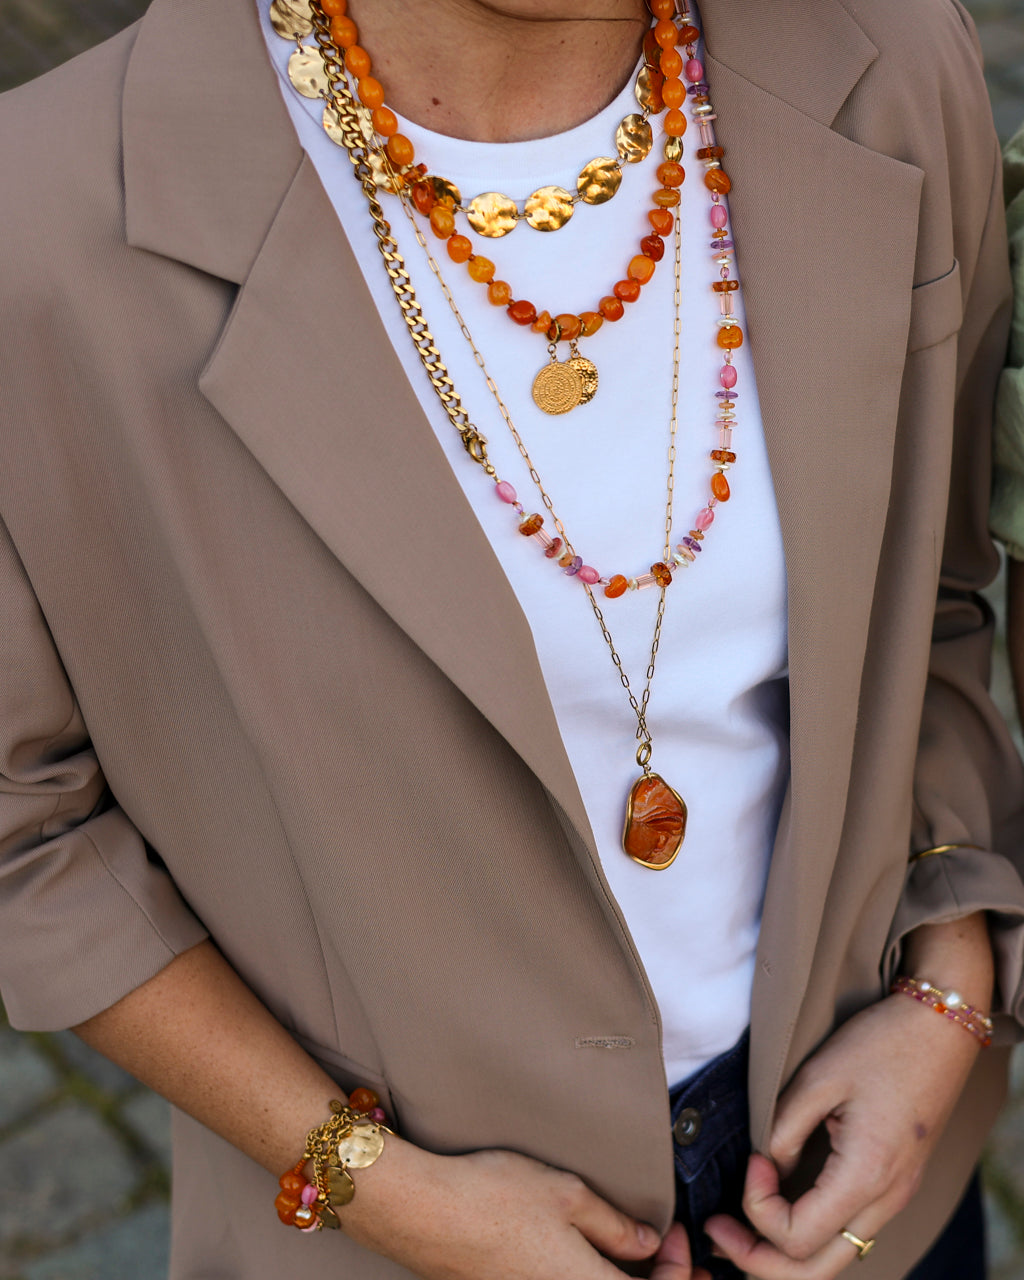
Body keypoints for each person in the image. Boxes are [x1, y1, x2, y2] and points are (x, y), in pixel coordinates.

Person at [1, 1, 1023, 1278]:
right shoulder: (37, 226)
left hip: (861, 1186)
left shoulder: (892, 60)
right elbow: (27, 832)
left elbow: (936, 587)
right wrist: (377, 1186)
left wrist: (947, 967)